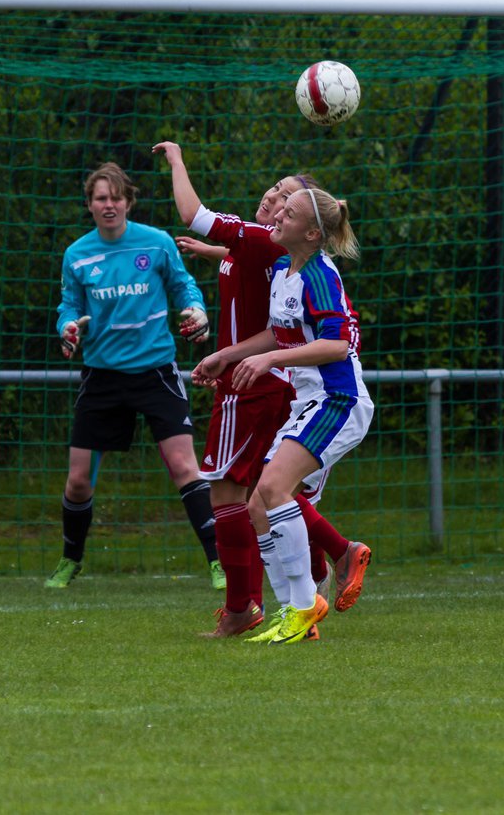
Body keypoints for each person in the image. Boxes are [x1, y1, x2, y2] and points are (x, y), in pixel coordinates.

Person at [152, 141, 371, 639]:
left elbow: (337, 344)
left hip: (338, 399)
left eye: (287, 206)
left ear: (310, 231)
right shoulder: (285, 273)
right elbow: (280, 332)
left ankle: (298, 605)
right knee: (260, 504)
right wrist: (230, 354)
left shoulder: (317, 273)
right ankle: (301, 610)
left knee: (269, 493)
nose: (274, 206)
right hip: (307, 398)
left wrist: (268, 359)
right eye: (278, 198)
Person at [46, 161, 222, 590]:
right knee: (78, 480)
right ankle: (71, 561)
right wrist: (66, 329)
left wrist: (195, 310)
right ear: (89, 205)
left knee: (185, 466)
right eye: (100, 198)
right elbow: (68, 307)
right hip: (102, 376)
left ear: (129, 201)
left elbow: (185, 288)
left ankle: (220, 563)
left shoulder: (157, 244)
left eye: (116, 197)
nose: (109, 205)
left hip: (155, 371)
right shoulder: (77, 254)